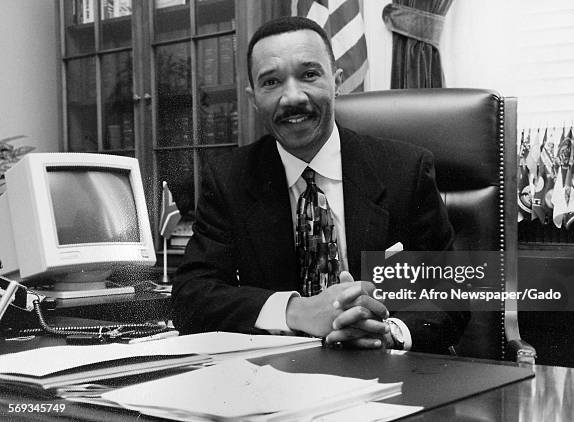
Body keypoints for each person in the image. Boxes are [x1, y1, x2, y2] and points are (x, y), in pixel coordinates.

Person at [172, 16, 469, 353]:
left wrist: (389, 332)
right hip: (278, 382)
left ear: (337, 81)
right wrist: (296, 311)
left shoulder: (404, 170)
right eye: (271, 82)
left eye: (309, 75)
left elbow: (451, 293)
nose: (292, 97)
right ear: (253, 98)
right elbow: (190, 296)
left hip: (390, 373)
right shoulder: (229, 178)